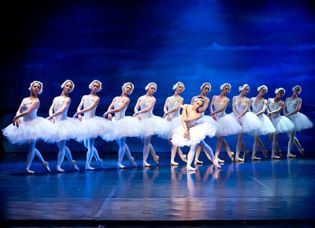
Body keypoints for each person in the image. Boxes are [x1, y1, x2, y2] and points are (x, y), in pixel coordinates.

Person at [2, 81, 55, 174]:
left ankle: (27, 168)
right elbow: (19, 110)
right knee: (32, 147)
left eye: (38, 88)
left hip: (34, 124)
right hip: (24, 122)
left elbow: (28, 112)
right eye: (35, 86)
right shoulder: (24, 99)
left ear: (39, 90)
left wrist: (17, 117)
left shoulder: (37, 101)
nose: (36, 88)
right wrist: (18, 117)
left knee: (31, 147)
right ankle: (44, 162)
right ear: (31, 87)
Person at [171, 97, 220, 171]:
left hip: (195, 128)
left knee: (195, 146)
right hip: (185, 128)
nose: (198, 106)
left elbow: (186, 119)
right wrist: (186, 130)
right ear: (193, 102)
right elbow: (183, 121)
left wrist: (183, 109)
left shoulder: (198, 114)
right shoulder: (187, 106)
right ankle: (214, 160)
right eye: (197, 104)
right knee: (204, 144)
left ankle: (189, 165)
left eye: (200, 105)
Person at [73, 80, 111, 170]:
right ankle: (98, 159)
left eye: (97, 86)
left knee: (90, 145)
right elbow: (79, 106)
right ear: (91, 86)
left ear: (99, 89)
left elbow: (90, 108)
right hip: (84, 120)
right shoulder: (84, 96)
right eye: (94, 85)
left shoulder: (97, 98)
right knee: (86, 145)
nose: (95, 87)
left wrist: (79, 112)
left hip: (92, 122)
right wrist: (78, 114)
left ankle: (88, 164)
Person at [133, 82, 170, 167]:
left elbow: (148, 109)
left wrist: (139, 112)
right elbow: (136, 107)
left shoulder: (153, 99)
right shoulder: (140, 98)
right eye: (152, 88)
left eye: (154, 89)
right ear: (148, 88)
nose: (153, 90)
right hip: (140, 120)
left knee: (146, 142)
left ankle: (144, 161)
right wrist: (137, 113)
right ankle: (155, 156)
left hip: (149, 121)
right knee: (145, 141)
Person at [103, 82, 139, 168]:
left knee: (122, 143)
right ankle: (130, 158)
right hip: (115, 121)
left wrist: (108, 112)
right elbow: (110, 107)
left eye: (130, 89)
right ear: (123, 87)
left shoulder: (127, 99)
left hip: (123, 122)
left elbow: (119, 109)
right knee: (119, 142)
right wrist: (109, 113)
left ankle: (119, 162)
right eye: (127, 87)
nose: (128, 89)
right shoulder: (115, 98)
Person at [47, 80, 80, 172]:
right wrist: (51, 117)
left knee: (61, 146)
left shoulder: (68, 99)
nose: (68, 88)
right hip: (55, 122)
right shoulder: (56, 98)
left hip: (64, 124)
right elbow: (51, 108)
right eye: (67, 85)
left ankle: (58, 166)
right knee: (61, 145)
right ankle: (71, 161)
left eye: (70, 87)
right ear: (63, 86)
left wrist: (51, 116)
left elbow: (62, 110)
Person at [210, 83, 242, 163]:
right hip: (214, 118)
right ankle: (229, 152)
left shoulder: (227, 99)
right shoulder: (214, 97)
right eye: (226, 89)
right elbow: (211, 105)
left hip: (223, 119)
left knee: (220, 139)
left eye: (228, 89)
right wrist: (212, 114)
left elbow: (222, 109)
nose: (227, 90)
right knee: (220, 138)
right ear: (222, 88)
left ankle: (216, 156)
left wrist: (214, 113)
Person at [231, 84, 262, 162]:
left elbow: (246, 109)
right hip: (235, 117)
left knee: (240, 137)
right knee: (238, 137)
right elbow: (233, 107)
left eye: (248, 90)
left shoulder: (248, 100)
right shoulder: (234, 98)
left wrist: (240, 116)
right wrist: (236, 116)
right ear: (242, 89)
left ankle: (237, 156)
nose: (246, 91)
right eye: (245, 89)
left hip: (244, 118)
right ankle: (245, 151)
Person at [284, 85, 313, 158]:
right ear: (293, 90)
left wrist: (288, 114)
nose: (296, 92)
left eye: (298, 91)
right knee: (291, 136)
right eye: (295, 90)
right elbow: (284, 108)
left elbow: (297, 109)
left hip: (295, 118)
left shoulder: (299, 100)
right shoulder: (287, 99)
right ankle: (301, 149)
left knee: (291, 136)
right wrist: (285, 115)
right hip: (288, 118)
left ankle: (288, 153)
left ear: (299, 92)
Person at [163, 81, 187, 166]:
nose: (181, 89)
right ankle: (181, 155)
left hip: (176, 120)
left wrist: (168, 113)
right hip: (168, 120)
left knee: (175, 141)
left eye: (182, 88)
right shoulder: (168, 98)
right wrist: (167, 113)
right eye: (179, 87)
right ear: (176, 87)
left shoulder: (181, 99)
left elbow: (177, 108)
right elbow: (165, 107)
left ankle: (172, 160)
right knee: (170, 140)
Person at [267, 88, 295, 159]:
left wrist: (270, 113)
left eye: (282, 93)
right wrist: (269, 114)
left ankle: (273, 154)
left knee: (274, 137)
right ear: (277, 92)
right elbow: (267, 107)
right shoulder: (269, 99)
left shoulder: (281, 102)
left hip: (277, 120)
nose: (281, 94)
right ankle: (277, 150)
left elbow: (278, 110)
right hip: (270, 119)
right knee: (271, 137)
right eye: (280, 92)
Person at [250, 85, 276, 160]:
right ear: (259, 90)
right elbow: (248, 108)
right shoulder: (252, 99)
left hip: (260, 119)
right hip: (253, 119)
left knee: (256, 138)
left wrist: (255, 115)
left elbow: (263, 110)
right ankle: (264, 151)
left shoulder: (265, 101)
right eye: (263, 90)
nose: (264, 92)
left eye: (265, 91)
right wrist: (250, 115)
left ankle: (253, 156)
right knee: (257, 137)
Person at [191, 82, 212, 165]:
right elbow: (190, 106)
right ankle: (210, 156)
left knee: (199, 138)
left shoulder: (206, 99)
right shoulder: (194, 97)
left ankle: (196, 158)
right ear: (202, 88)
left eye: (208, 89)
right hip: (193, 118)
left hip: (201, 119)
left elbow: (204, 108)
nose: (206, 90)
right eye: (205, 88)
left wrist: (196, 111)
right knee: (198, 139)